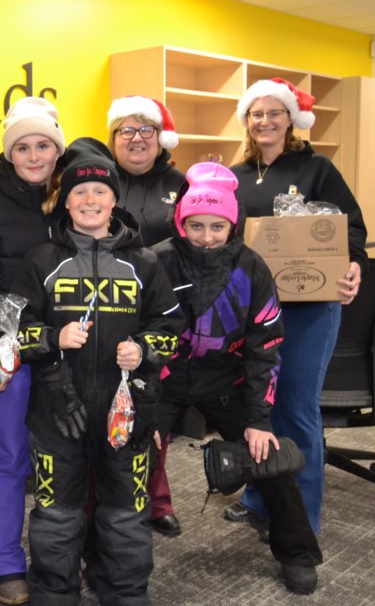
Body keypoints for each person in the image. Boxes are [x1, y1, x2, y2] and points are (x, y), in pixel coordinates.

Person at [10, 137, 183, 606]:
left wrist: (144, 349)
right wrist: (52, 339)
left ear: (114, 200)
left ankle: (124, 591)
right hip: (55, 412)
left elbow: (171, 327)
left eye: (100, 192)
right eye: (79, 192)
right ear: (64, 201)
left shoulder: (144, 263)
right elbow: (16, 331)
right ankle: (53, 592)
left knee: (126, 511)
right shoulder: (41, 261)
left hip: (126, 414)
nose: (90, 200)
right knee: (55, 513)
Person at [151, 161, 323, 595]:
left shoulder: (252, 268)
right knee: (124, 453)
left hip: (224, 379)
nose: (206, 236)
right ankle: (104, 554)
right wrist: (143, 409)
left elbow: (264, 347)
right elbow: (137, 338)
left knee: (270, 456)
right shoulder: (155, 261)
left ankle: (297, 552)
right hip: (165, 379)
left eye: (217, 226)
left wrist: (258, 419)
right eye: (195, 225)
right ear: (180, 221)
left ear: (234, 225)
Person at [226, 78, 367, 536]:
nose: (264, 121)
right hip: (252, 309)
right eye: (255, 114)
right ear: (247, 122)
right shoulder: (238, 176)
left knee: (297, 406)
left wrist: (355, 265)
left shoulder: (317, 168)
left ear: (290, 119)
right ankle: (259, 498)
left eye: (274, 113)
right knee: (257, 407)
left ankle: (301, 517)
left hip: (310, 307)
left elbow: (352, 229)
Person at [0, 97, 66, 605]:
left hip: (71, 352)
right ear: (9, 154)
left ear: (56, 149)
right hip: (10, 353)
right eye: (22, 146)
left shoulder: (76, 200)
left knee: (70, 457)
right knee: (8, 458)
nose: (33, 154)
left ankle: (62, 557)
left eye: (43, 144)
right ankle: (2, 563)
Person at [105, 95, 186, 537]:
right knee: (110, 407)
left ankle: (156, 500)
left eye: (145, 131)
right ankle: (114, 496)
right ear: (113, 139)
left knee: (156, 412)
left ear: (160, 137)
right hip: (108, 310)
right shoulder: (99, 181)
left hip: (161, 313)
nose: (136, 140)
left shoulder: (181, 182)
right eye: (126, 131)